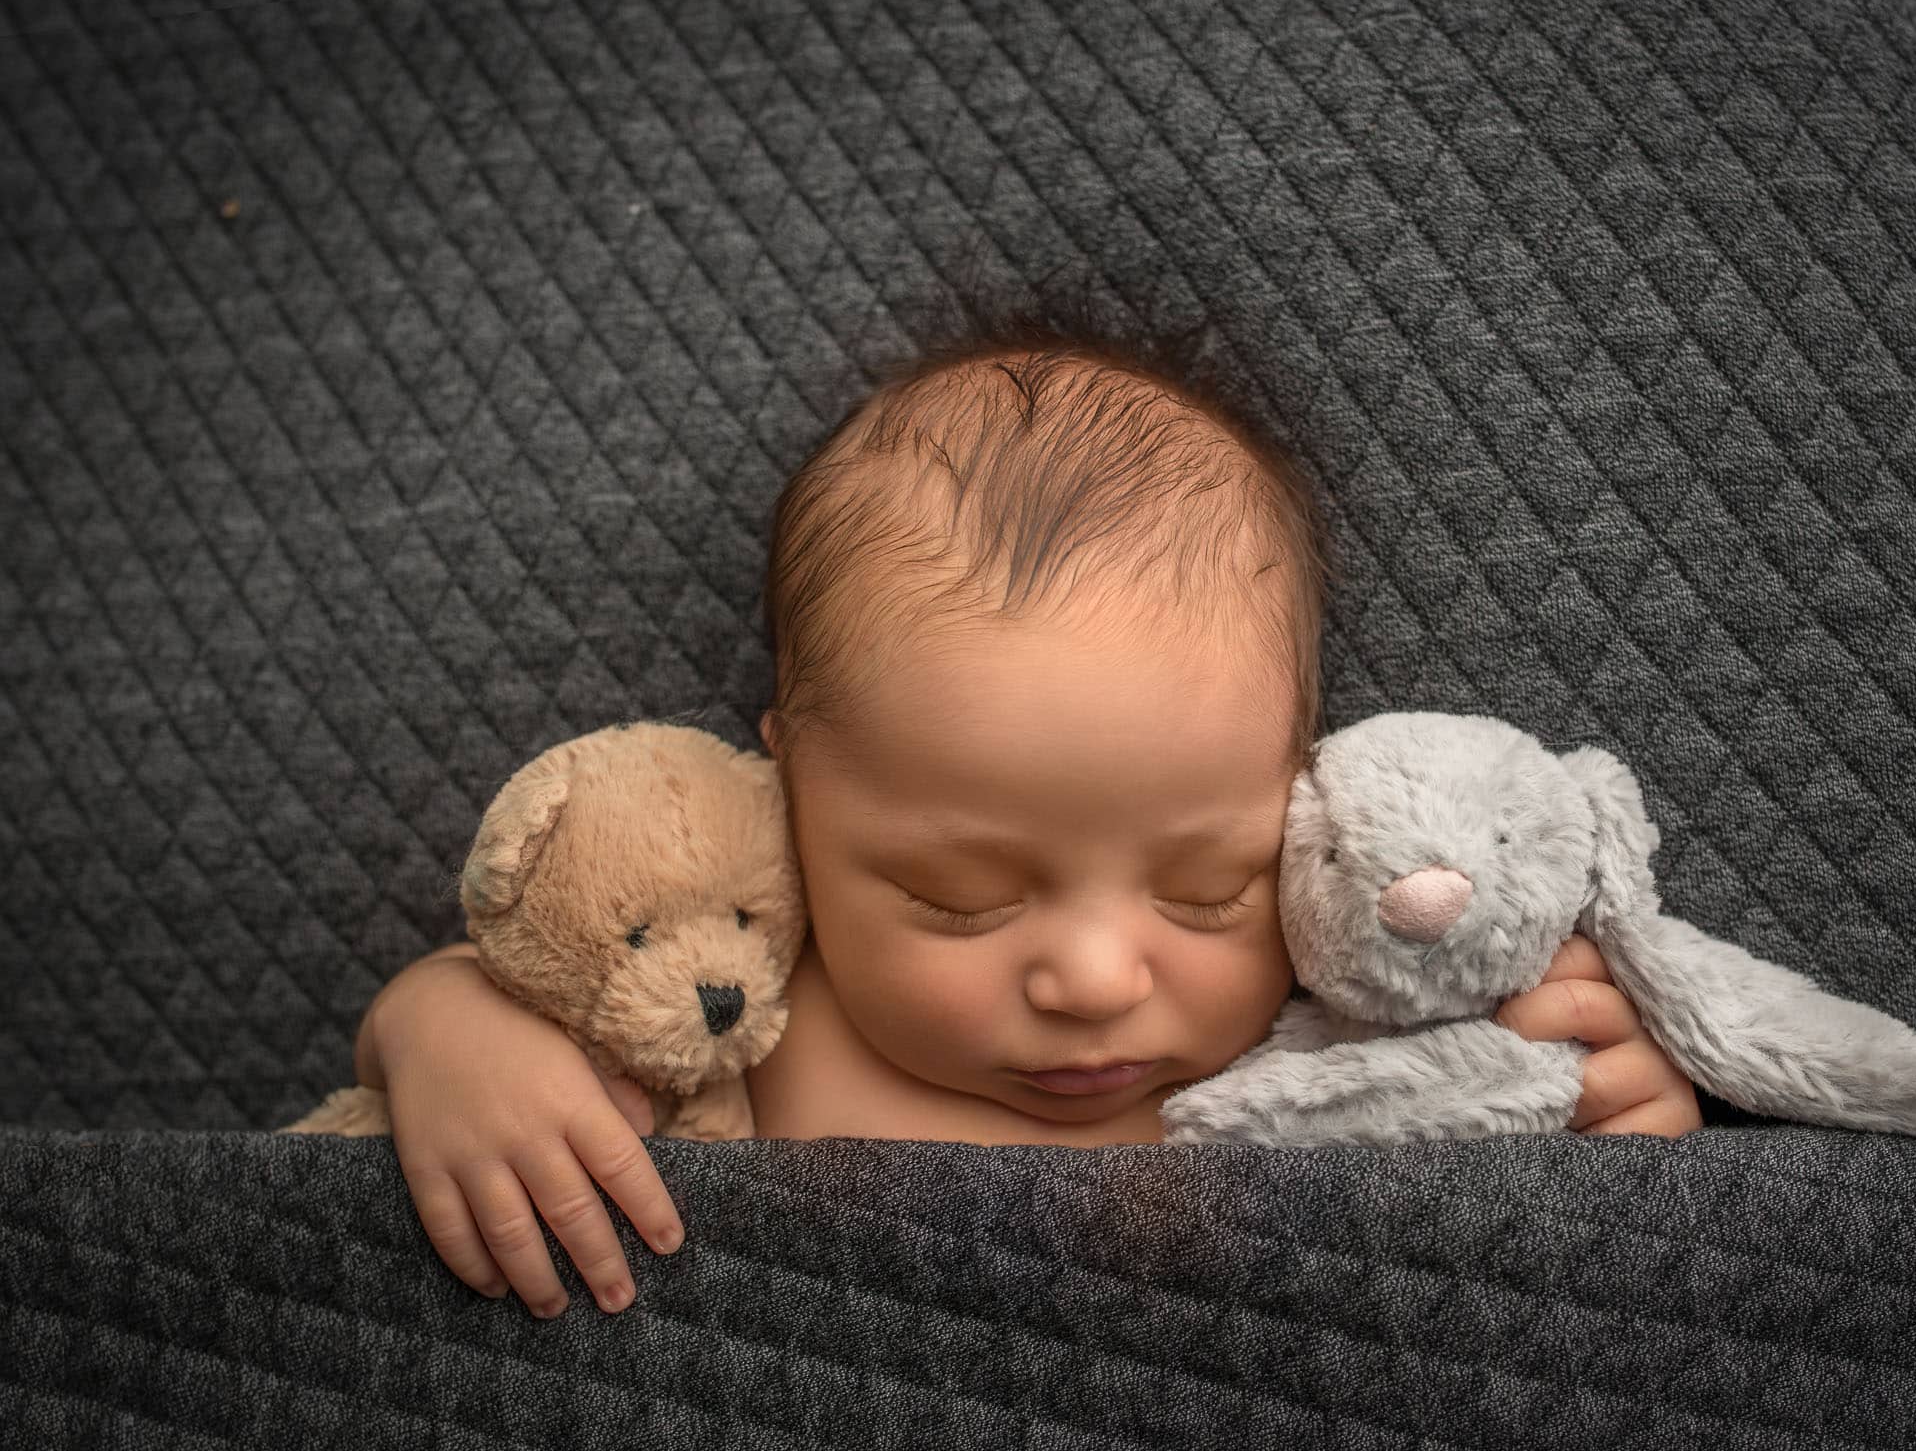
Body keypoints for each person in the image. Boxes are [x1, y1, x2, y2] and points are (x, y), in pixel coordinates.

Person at [350, 307, 1703, 1322]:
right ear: (792, 794)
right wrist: (446, 1031)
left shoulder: (1318, 1049)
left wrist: (1596, 1110)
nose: (1094, 980)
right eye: (960, 899)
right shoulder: (749, 1021)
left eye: (1207, 888)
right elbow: (525, 1016)